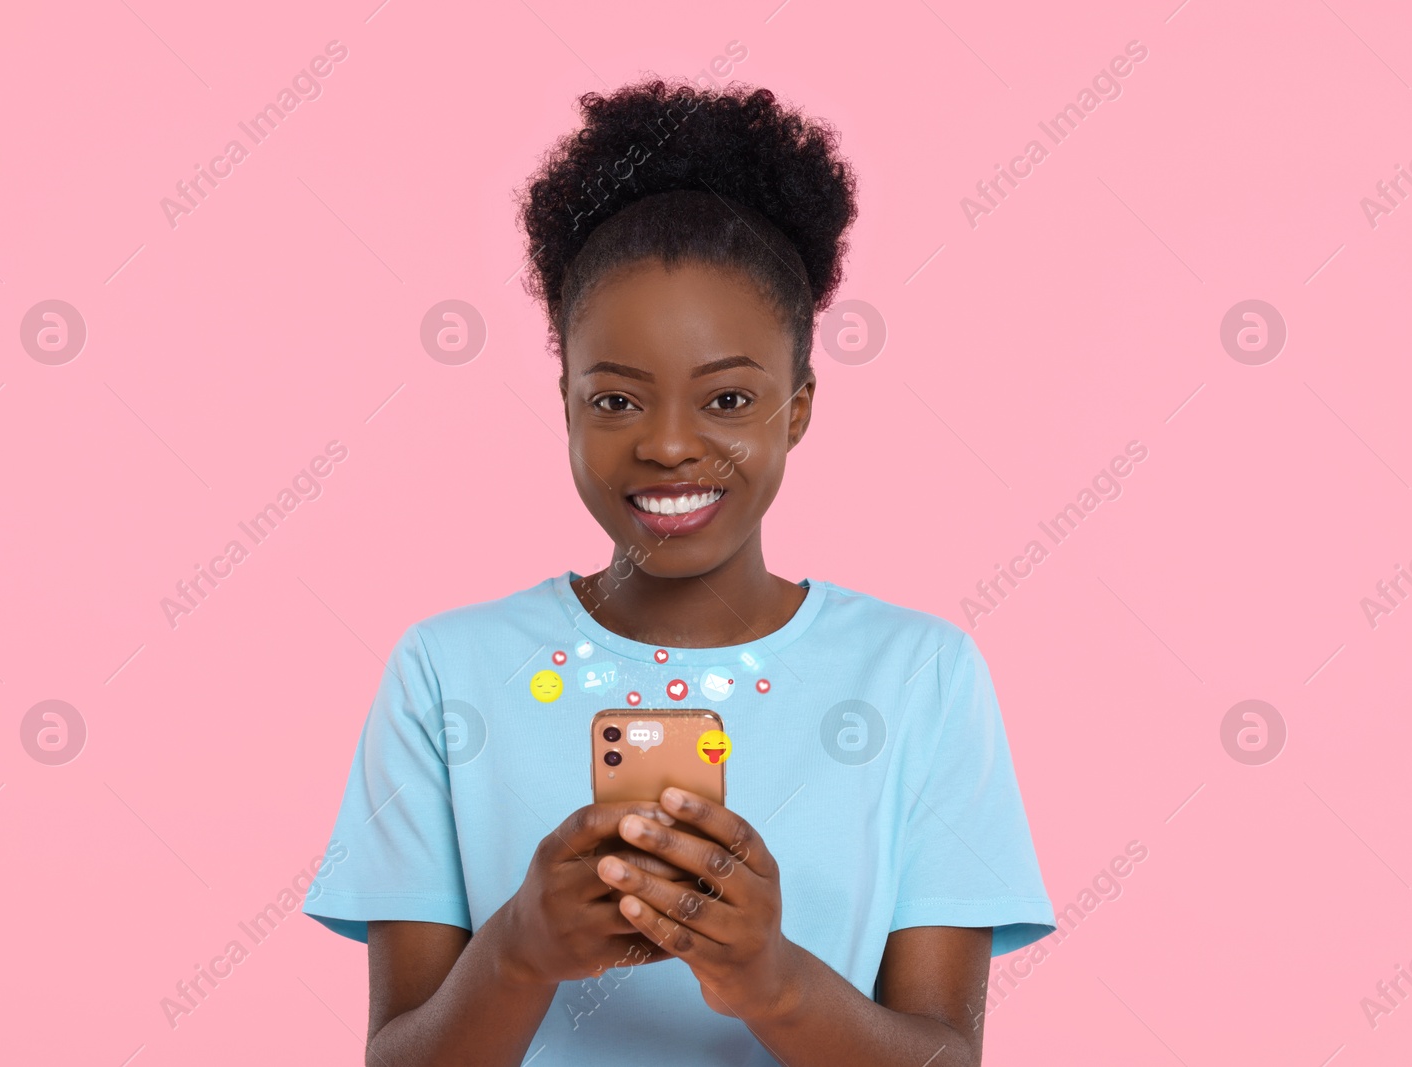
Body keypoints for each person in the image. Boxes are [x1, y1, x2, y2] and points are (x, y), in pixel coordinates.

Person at [303, 79, 1054, 1066]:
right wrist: (521, 950)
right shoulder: (446, 671)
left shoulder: (921, 676)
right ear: (565, 403)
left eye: (728, 397)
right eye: (614, 401)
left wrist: (771, 980)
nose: (666, 445)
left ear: (796, 407)